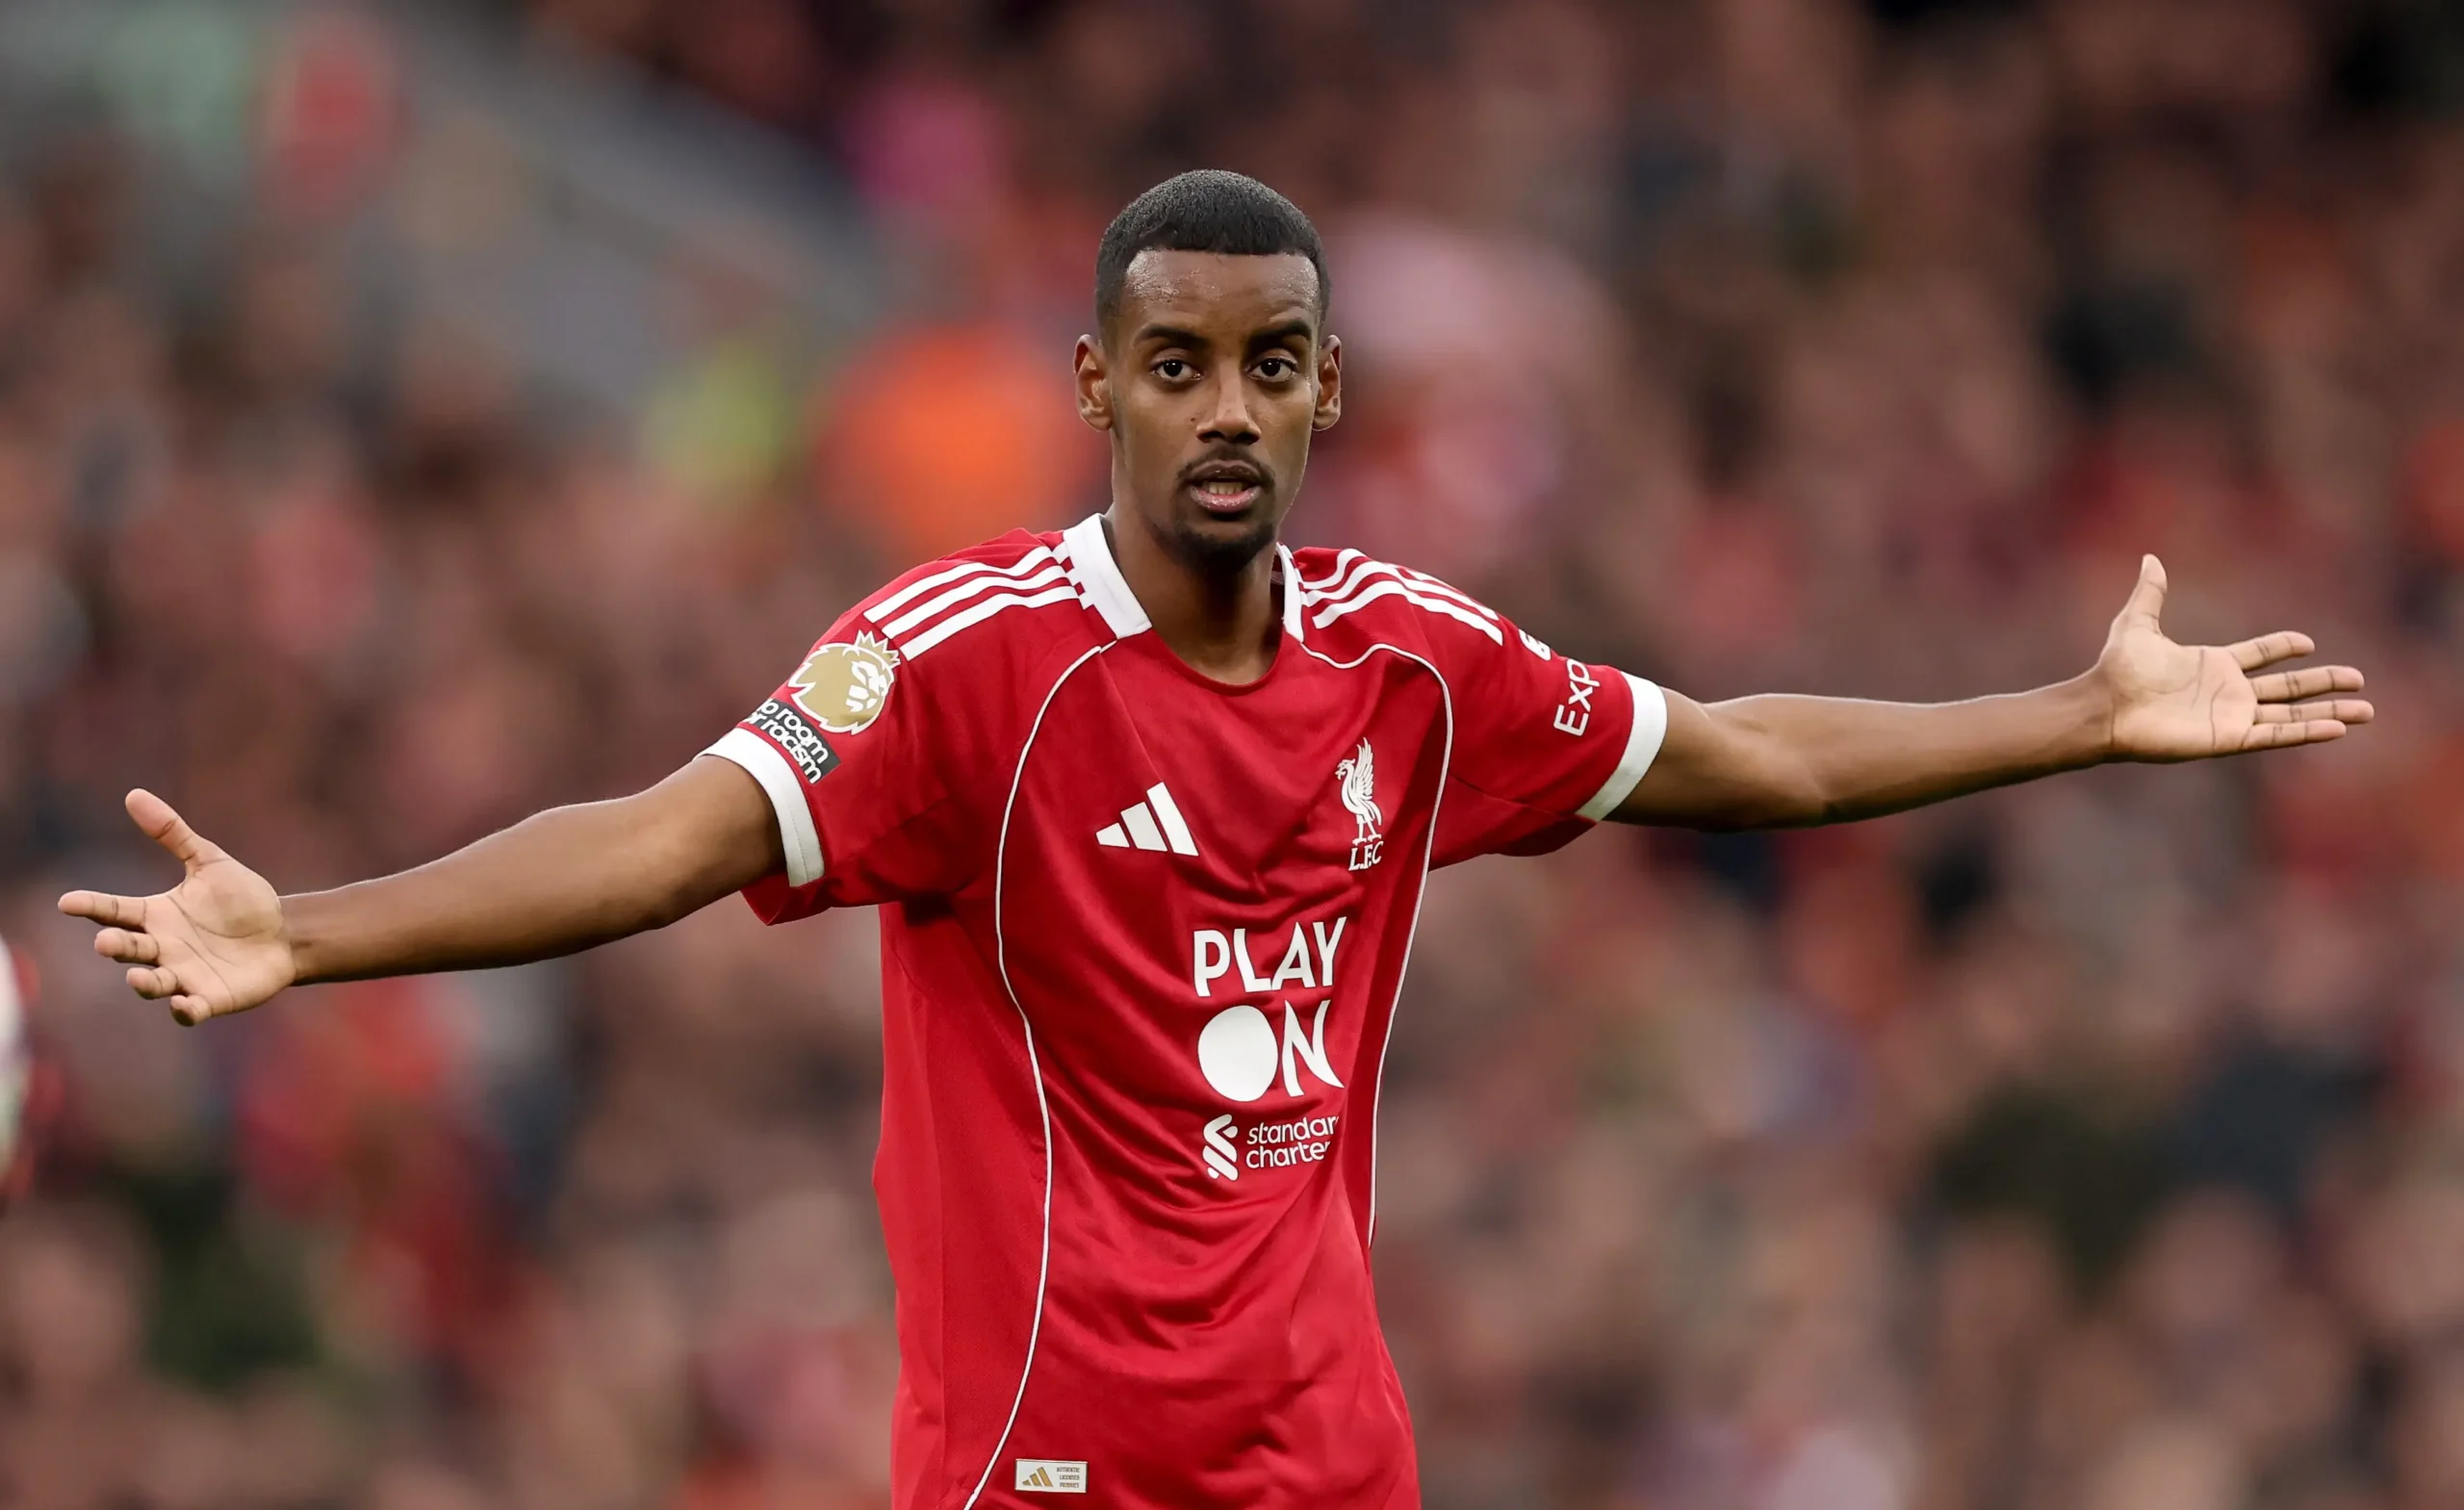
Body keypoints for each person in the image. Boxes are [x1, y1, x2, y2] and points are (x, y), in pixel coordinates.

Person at [59, 170, 2372, 1509]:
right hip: (1048, 1466)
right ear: (1097, 385)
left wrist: (2072, 716)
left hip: (1328, 1459)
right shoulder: (962, 664)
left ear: (1327, 385)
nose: (1226, 407)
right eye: (1175, 364)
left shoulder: (1409, 662)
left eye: (1271, 361)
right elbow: (663, 842)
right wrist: (313, 935)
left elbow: (1740, 758)